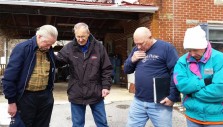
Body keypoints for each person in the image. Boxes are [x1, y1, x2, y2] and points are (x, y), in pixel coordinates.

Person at [55, 22, 112, 127]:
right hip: (76, 92)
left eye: (83, 37)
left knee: (102, 123)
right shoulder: (69, 48)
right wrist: (49, 51)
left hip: (96, 92)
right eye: (78, 36)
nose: (80, 39)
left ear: (88, 33)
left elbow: (106, 68)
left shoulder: (99, 48)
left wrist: (106, 86)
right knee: (77, 124)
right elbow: (57, 61)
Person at [2, 25, 58, 127]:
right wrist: (11, 102)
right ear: (39, 36)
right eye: (47, 43)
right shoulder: (22, 49)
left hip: (45, 97)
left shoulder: (49, 51)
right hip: (26, 97)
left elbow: (58, 64)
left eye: (51, 44)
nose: (49, 47)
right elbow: (9, 78)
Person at [124, 27, 180, 127]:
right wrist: (132, 59)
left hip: (160, 103)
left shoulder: (166, 48)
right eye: (136, 43)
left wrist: (173, 96)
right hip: (138, 101)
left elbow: (176, 73)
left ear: (150, 37)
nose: (139, 47)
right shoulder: (136, 50)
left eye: (141, 43)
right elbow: (127, 70)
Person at [173, 25, 223, 127]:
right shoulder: (182, 61)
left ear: (204, 45)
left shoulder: (219, 59)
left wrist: (192, 94)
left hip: (216, 118)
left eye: (195, 50)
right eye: (189, 50)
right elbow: (181, 85)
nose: (192, 54)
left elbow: (219, 89)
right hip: (192, 116)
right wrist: (204, 82)